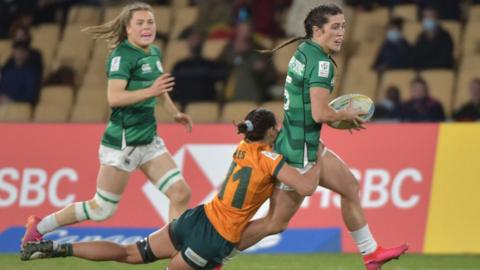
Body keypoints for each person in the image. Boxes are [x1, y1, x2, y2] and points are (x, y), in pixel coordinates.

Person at [21, 108, 323, 270]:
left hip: (197, 218)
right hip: (215, 238)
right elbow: (307, 187)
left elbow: (262, 145)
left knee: (129, 253)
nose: (279, 131)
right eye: (277, 128)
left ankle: (58, 248)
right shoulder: (271, 161)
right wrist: (319, 153)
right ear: (270, 132)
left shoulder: (242, 146)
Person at [230, 4, 408, 270]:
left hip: (301, 140)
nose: (341, 33)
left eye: (343, 26)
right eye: (335, 27)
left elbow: (312, 107)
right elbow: (319, 113)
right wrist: (343, 113)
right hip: (299, 151)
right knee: (274, 223)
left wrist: (339, 116)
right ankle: (214, 256)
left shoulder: (304, 51)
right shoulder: (322, 63)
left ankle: (370, 253)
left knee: (349, 186)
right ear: (317, 30)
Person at [20, 2, 193, 247]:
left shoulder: (153, 52)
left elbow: (159, 88)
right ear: (128, 28)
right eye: (140, 23)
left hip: (148, 140)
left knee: (180, 193)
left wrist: (175, 113)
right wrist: (150, 90)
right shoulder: (121, 57)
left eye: (150, 22)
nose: (147, 27)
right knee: (102, 209)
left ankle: (178, 253)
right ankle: (39, 226)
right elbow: (115, 97)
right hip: (123, 142)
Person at [0, 41, 43, 105]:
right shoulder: (7, 72)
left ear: (26, 53)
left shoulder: (31, 74)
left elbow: (31, 96)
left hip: (18, 106)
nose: (19, 54)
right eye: (16, 51)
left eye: (21, 51)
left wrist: (12, 100)